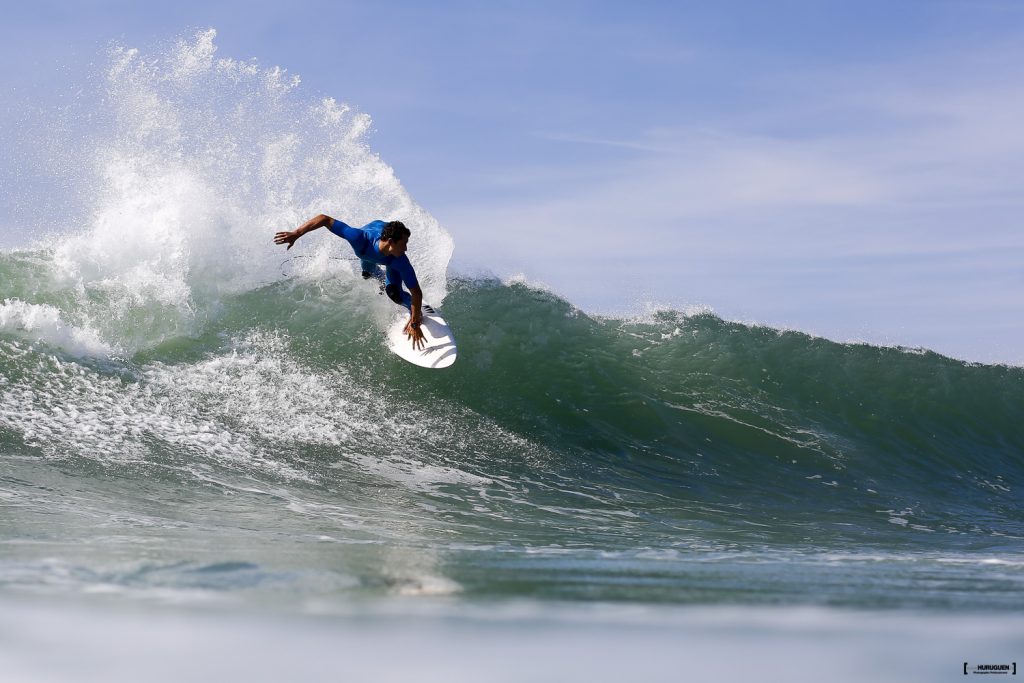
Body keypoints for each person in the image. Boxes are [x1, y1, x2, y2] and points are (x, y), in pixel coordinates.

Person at [274, 214, 426, 350]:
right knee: (367, 275)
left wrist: (415, 321)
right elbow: (325, 219)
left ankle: (412, 309)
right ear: (391, 242)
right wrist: (297, 233)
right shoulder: (359, 238)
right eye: (404, 243)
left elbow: (416, 292)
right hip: (368, 252)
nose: (406, 249)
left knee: (394, 294)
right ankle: (382, 280)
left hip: (388, 258)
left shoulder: (400, 260)